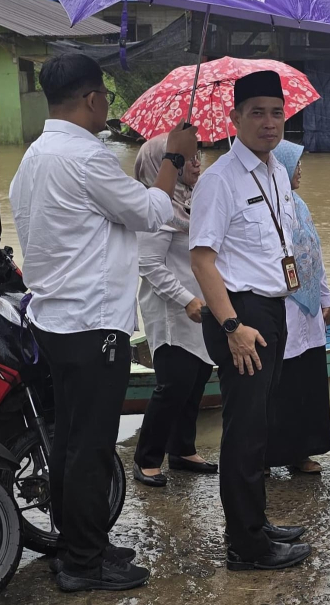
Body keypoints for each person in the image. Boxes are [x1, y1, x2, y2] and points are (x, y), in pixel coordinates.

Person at [9, 54, 197, 592]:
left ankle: (79, 543)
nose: (108, 107)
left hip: (55, 321)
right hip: (93, 325)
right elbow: (150, 212)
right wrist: (174, 160)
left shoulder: (35, 156)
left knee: (71, 440)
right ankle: (82, 565)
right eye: (106, 99)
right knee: (89, 446)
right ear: (91, 99)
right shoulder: (84, 159)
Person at [189, 70, 311, 572]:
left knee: (260, 426)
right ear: (235, 118)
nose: (268, 122)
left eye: (276, 112)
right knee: (243, 433)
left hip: (272, 308)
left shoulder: (275, 170)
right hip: (240, 314)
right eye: (256, 112)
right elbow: (201, 260)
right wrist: (232, 327)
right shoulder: (220, 179)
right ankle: (246, 546)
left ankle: (255, 522)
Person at [132, 135, 218, 487]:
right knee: (173, 384)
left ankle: (182, 449)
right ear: (164, 164)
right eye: (184, 159)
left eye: (196, 155)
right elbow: (149, 264)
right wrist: (185, 299)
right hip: (171, 309)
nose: (196, 163)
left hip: (199, 304)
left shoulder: (194, 202)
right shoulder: (158, 210)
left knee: (196, 378)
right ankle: (147, 458)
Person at [266, 140, 330, 474]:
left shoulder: (300, 205)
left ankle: (301, 453)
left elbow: (314, 255)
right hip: (284, 306)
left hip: (308, 311)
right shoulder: (269, 208)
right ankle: (267, 455)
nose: (301, 170)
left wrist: (325, 297)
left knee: (307, 381)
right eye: (296, 164)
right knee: (283, 384)